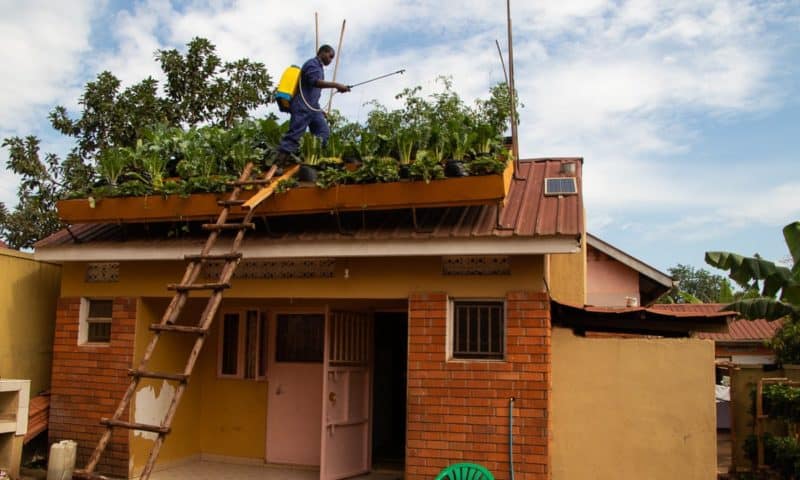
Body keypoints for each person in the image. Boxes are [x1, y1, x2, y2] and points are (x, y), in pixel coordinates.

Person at [276, 45, 351, 165]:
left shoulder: (319, 68)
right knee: (295, 134)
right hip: (302, 106)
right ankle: (278, 163)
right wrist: (337, 85)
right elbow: (315, 82)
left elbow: (312, 94)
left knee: (323, 132)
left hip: (313, 108)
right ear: (322, 52)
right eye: (330, 56)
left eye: (332, 58)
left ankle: (311, 158)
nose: (331, 60)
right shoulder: (312, 64)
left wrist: (320, 110)